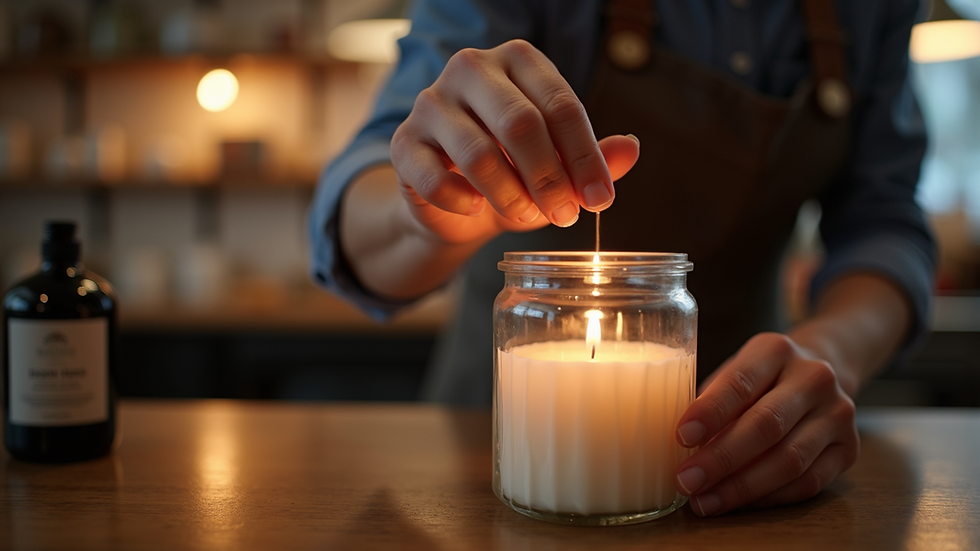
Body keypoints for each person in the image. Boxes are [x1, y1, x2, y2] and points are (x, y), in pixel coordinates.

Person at [308, 0, 936, 517]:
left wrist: (833, 351)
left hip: (752, 462)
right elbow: (363, 204)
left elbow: (884, 223)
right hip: (481, 459)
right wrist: (426, 212)